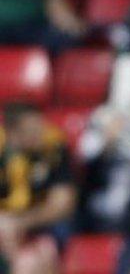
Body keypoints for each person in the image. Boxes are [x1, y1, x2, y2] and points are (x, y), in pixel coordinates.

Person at [0, 103, 77, 274]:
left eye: (40, 127)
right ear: (12, 133)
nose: (40, 134)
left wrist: (20, 222)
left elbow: (63, 204)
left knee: (34, 261)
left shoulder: (54, 147)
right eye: (32, 131)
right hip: (4, 228)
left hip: (42, 228)